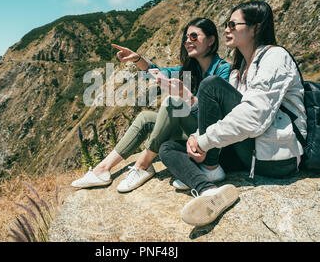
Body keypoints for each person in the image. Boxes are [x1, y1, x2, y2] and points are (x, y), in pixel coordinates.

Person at [159, 1, 307, 226]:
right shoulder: (239, 70)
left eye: (232, 24)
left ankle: (208, 170)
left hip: (275, 156)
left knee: (211, 85)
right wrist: (197, 136)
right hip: (248, 150)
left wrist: (204, 141)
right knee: (168, 149)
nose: (226, 29)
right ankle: (208, 189)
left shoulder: (275, 57)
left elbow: (253, 118)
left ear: (255, 27)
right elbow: (223, 116)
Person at [71, 17, 231, 192]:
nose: (187, 41)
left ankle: (143, 165)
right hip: (191, 132)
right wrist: (137, 59)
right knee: (146, 117)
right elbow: (159, 71)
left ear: (211, 40)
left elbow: (218, 114)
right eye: (185, 38)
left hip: (210, 140)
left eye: (194, 37)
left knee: (173, 102)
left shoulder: (223, 69)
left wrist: (188, 98)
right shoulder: (189, 70)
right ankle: (102, 169)